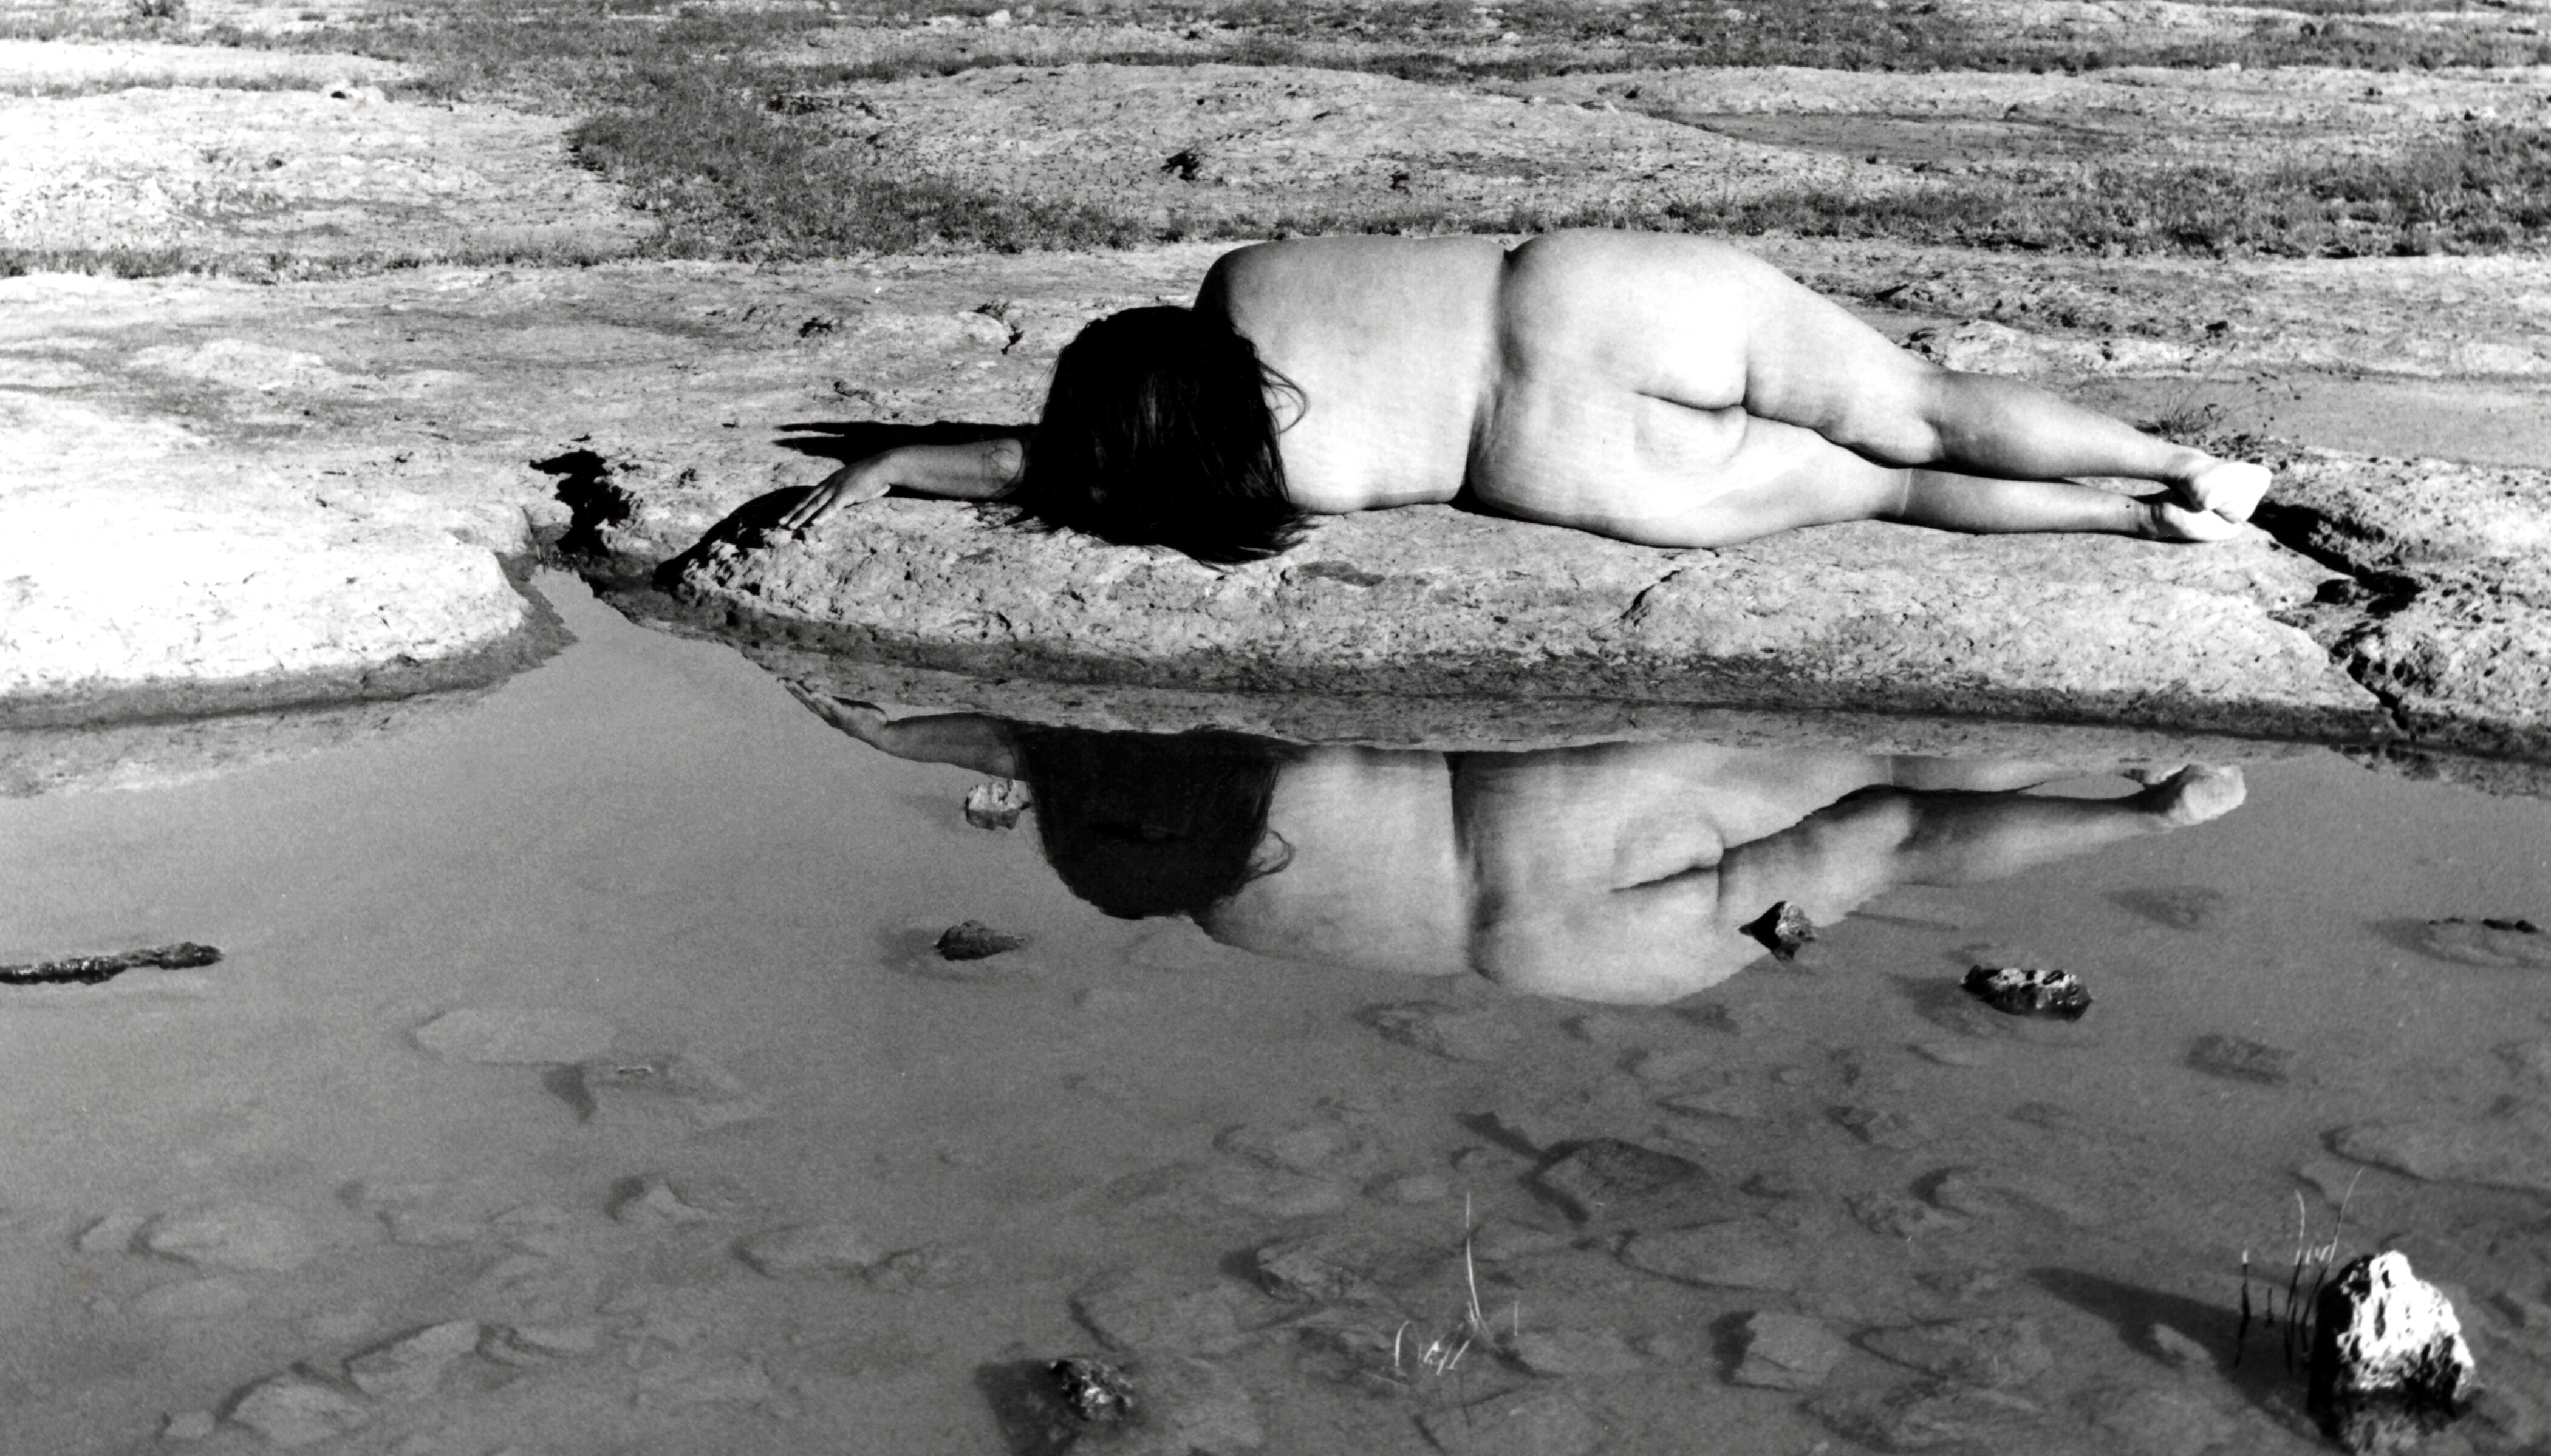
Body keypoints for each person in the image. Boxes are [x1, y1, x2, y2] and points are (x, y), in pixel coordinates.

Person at [776, 231, 2272, 564]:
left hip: (1548, 456)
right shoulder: (1251, 282)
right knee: (1916, 407)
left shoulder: (1276, 480)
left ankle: (2138, 532)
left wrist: (891, 464)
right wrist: (890, 452)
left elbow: (1048, 466)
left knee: (1877, 487)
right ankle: (2179, 462)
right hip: (1585, 298)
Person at [789, 685, 2249, 1005]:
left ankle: (2136, 815)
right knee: (1882, 769)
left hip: (1605, 960)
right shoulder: (1264, 792)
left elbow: (1037, 763)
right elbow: (1021, 742)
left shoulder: (1233, 913)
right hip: (1542, 826)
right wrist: (878, 722)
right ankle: (2131, 755)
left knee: (1899, 838)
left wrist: (899, 738)